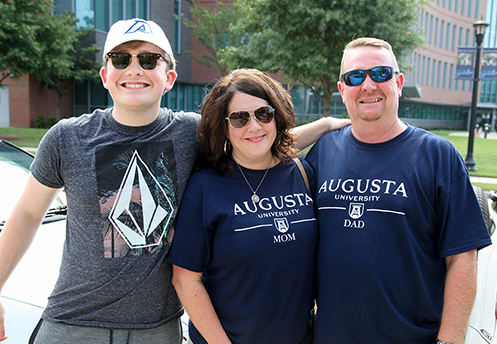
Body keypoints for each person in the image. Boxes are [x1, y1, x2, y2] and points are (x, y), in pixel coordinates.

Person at [0, 19, 347, 342]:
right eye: (121, 59)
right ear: (105, 75)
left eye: (149, 60)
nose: (134, 68)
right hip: (73, 324)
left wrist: (326, 124)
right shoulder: (66, 138)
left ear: (169, 77)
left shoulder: (188, 133)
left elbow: (256, 142)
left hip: (157, 328)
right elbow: (28, 215)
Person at [305, 37, 492, 344]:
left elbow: (463, 258)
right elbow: (260, 148)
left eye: (380, 74)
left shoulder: (438, 156)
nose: (368, 86)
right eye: (355, 77)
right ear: (342, 90)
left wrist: (449, 341)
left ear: (399, 82)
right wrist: (324, 124)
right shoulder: (323, 151)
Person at [168, 69, 317, 344]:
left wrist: (330, 123)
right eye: (239, 118)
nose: (255, 127)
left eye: (263, 114)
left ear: (277, 115)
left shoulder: (303, 174)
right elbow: (186, 281)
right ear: (224, 127)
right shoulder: (205, 187)